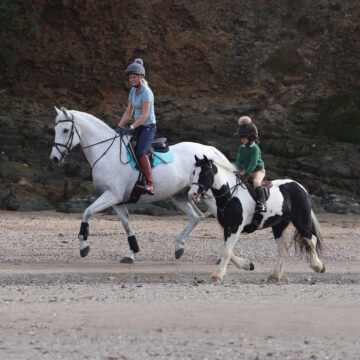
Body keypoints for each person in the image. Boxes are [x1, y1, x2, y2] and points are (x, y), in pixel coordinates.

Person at [116, 58, 156, 195]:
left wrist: (131, 127)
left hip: (148, 127)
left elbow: (145, 116)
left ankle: (150, 183)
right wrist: (119, 127)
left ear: (141, 77)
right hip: (137, 126)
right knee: (125, 147)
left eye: (133, 77)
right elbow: (128, 112)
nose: (131, 80)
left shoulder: (147, 92)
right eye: (130, 77)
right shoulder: (133, 91)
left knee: (140, 152)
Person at [235, 116, 266, 212]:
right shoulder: (242, 147)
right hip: (248, 171)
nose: (242, 140)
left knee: (256, 182)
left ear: (251, 137)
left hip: (258, 171)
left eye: (243, 137)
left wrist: (246, 173)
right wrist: (233, 168)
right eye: (241, 137)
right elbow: (239, 159)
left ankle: (262, 204)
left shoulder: (255, 149)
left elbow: (253, 163)